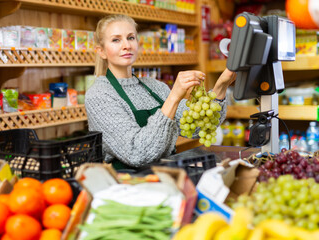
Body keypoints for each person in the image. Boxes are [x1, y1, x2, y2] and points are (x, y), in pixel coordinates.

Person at [85, 14, 236, 169]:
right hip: (129, 185)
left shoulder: (154, 86)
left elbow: (200, 127)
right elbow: (137, 153)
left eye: (131, 38)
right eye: (116, 40)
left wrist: (221, 86)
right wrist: (174, 97)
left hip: (167, 176)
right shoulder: (99, 95)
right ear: (101, 51)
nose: (127, 45)